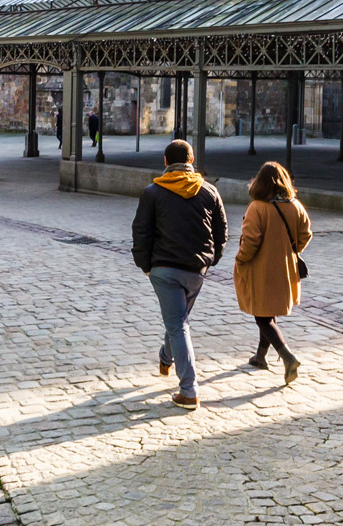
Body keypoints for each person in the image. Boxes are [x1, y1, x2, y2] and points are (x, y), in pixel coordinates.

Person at [130, 139, 228, 409]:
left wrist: (145, 265)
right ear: (192, 160)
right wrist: (211, 260)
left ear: (165, 162)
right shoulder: (209, 192)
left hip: (163, 268)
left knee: (177, 324)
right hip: (196, 270)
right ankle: (165, 358)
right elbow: (222, 233)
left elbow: (141, 231)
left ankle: (189, 390)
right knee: (178, 321)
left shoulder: (153, 192)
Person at [234, 161, 312, 386]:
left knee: (262, 315)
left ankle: (288, 357)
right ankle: (260, 356)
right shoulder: (295, 205)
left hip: (261, 268)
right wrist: (292, 250)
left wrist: (241, 259)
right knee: (267, 312)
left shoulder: (257, 207)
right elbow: (306, 233)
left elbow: (250, 240)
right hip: (284, 269)